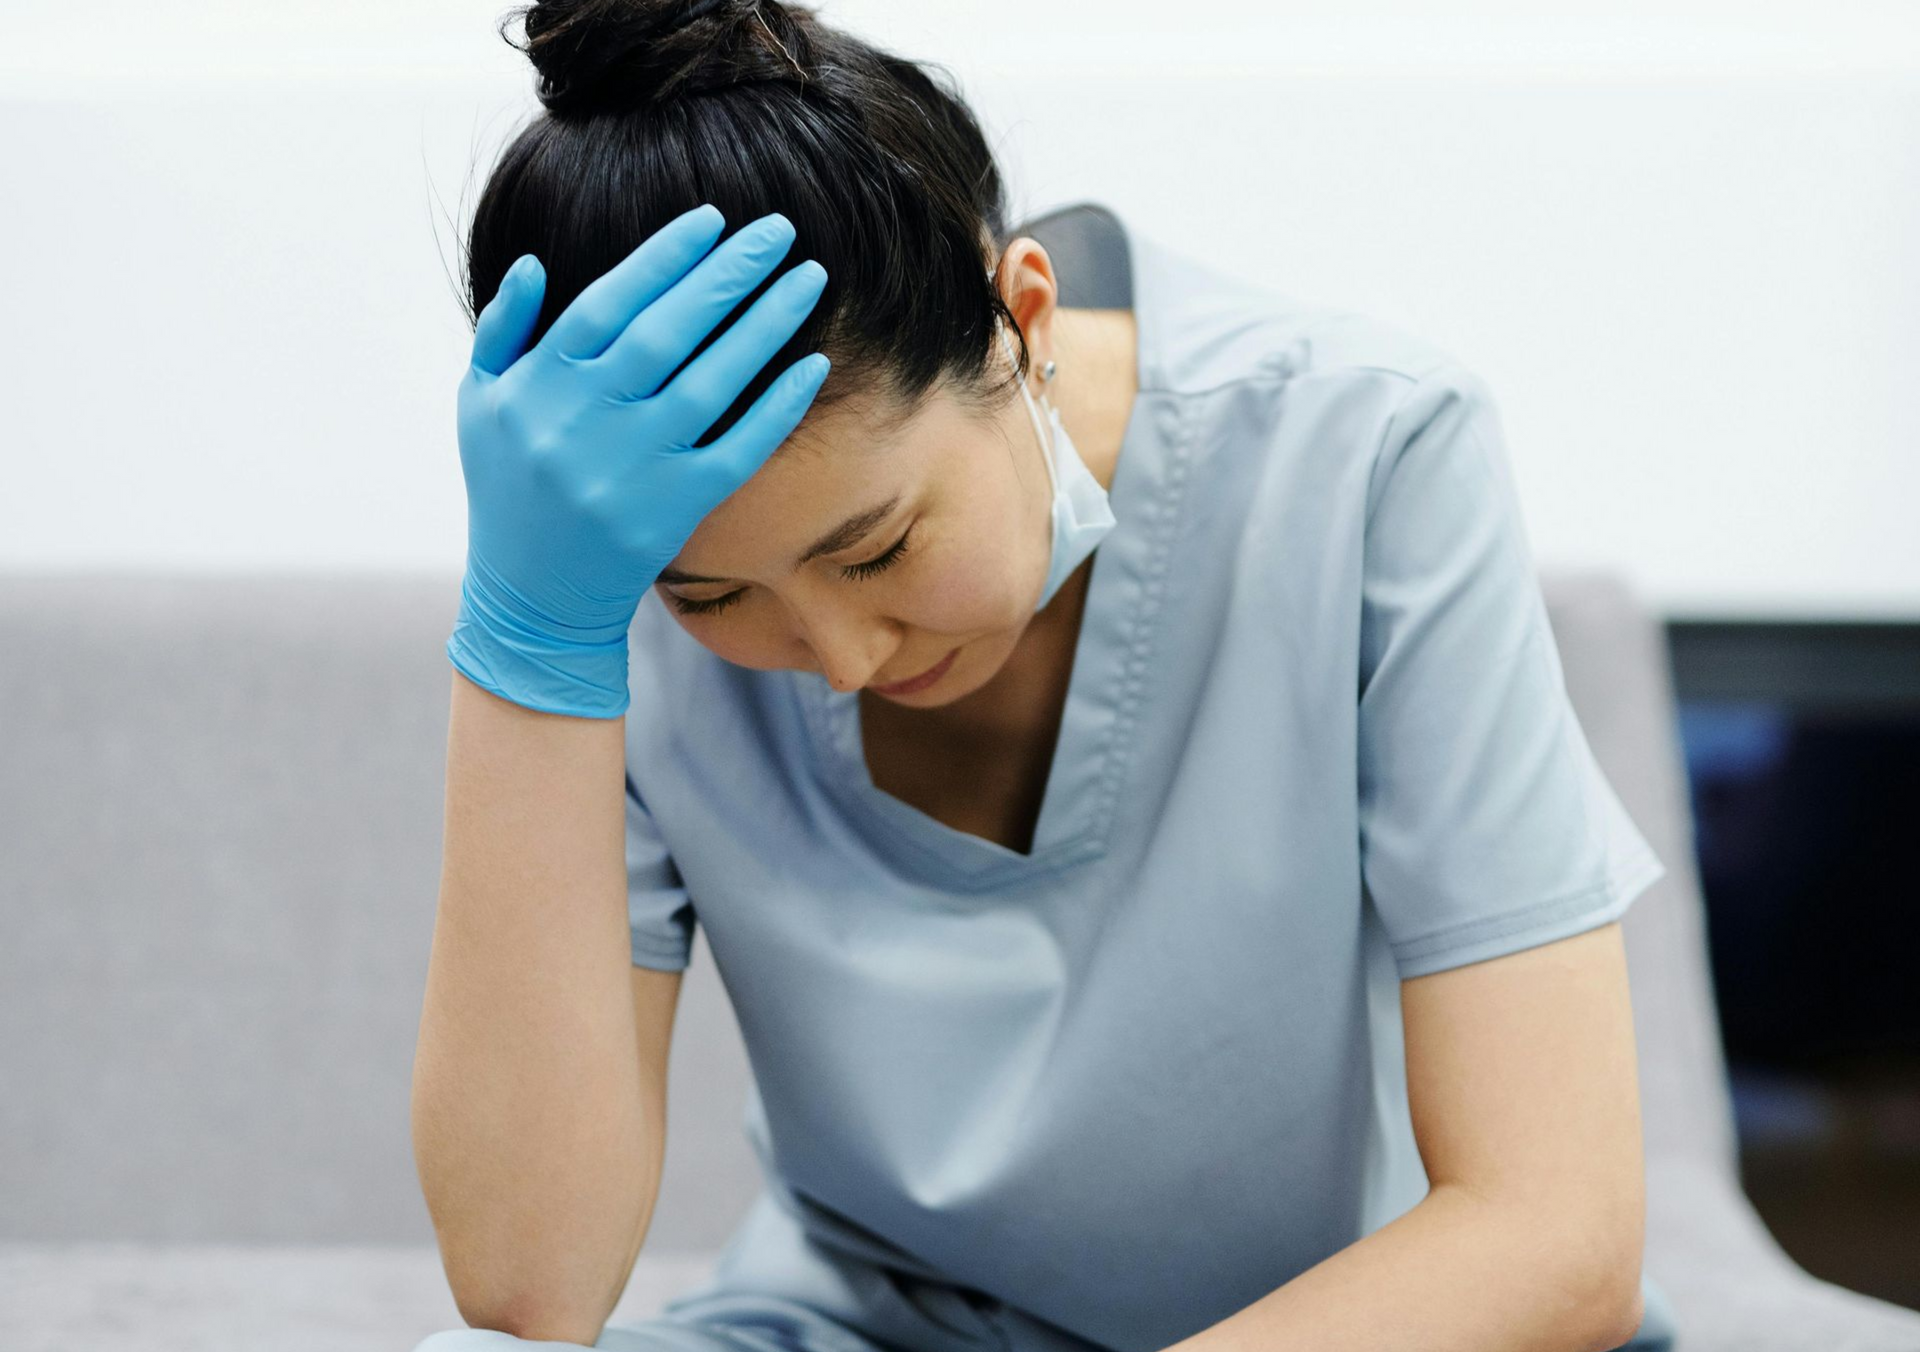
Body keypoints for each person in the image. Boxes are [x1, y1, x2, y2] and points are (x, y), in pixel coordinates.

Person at [411, 1, 1682, 1349]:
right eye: (714, 594)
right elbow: (528, 1292)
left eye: (881, 546)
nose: (836, 660)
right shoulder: (604, 591)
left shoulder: (1366, 456)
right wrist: (533, 636)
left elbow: (1557, 1234)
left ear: (1019, 316)